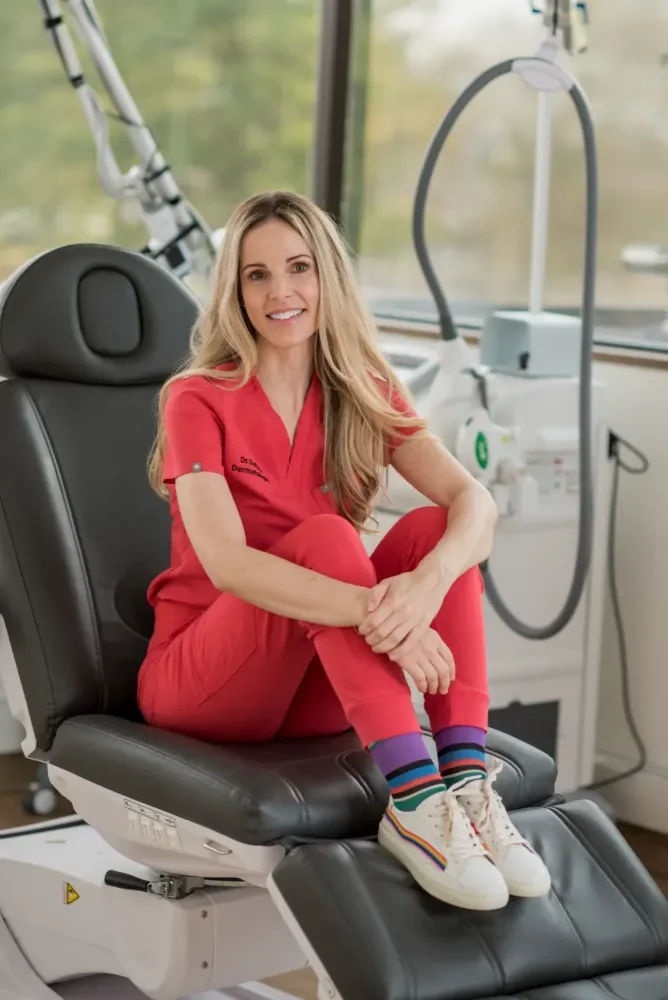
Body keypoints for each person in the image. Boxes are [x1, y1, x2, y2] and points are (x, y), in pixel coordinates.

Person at [138, 189, 551, 911]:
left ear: (327, 275)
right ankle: (415, 803)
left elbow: (475, 504)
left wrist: (425, 587)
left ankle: (464, 786)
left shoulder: (363, 388)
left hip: (317, 686)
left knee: (436, 530)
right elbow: (228, 562)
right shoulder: (198, 397)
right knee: (328, 537)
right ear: (235, 291)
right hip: (205, 682)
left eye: (298, 267)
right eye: (257, 274)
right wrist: (383, 615)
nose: (281, 292)